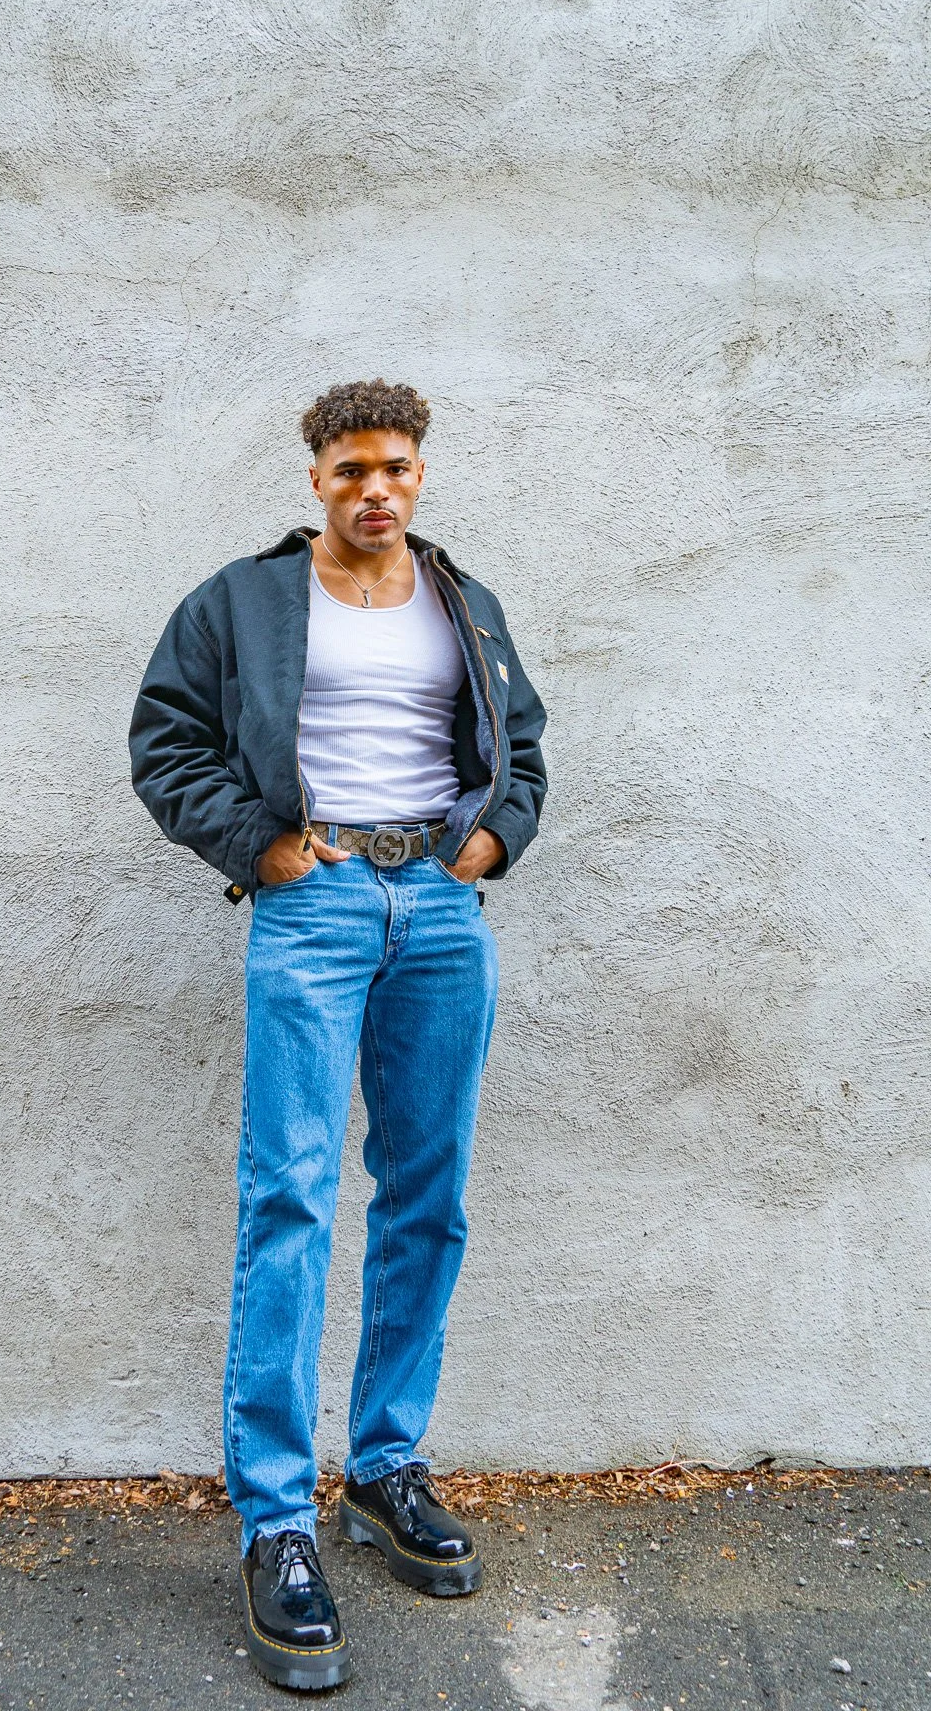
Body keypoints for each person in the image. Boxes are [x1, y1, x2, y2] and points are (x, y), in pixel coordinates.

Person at [129, 378, 546, 1691]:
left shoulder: (461, 602)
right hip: (310, 909)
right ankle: (275, 1519)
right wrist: (263, 849)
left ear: (420, 475)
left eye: (398, 468)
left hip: (437, 905)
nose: (377, 488)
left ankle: (384, 1467)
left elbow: (520, 748)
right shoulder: (243, 605)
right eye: (354, 467)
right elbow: (165, 742)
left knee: (428, 1196)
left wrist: (490, 839)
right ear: (316, 475)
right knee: (292, 1198)